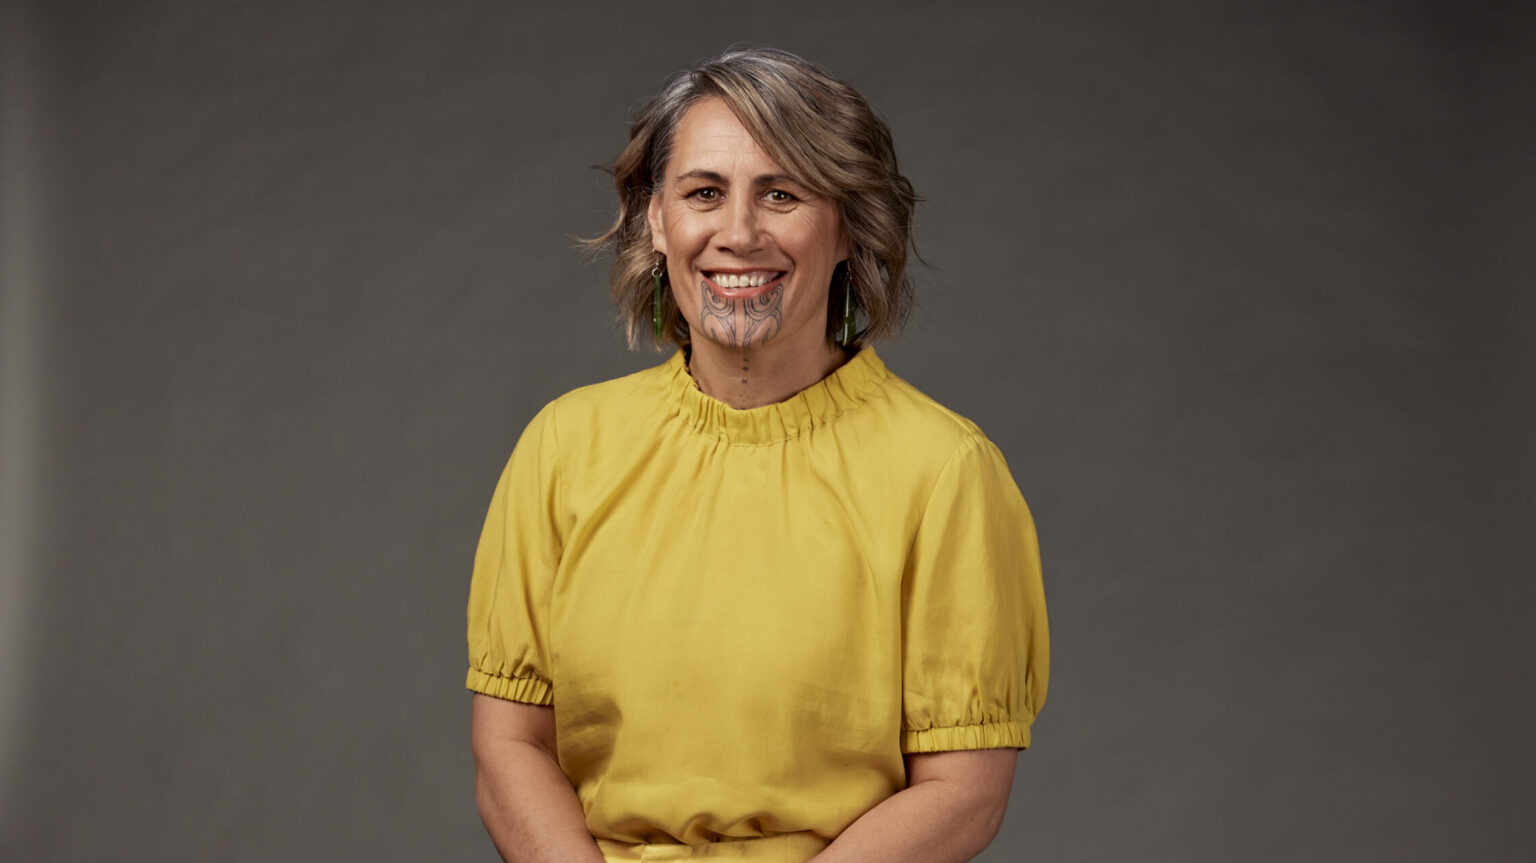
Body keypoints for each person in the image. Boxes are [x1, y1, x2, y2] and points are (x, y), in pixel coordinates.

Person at [466, 46, 1049, 863]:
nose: (738, 234)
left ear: (848, 224)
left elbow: (964, 791)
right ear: (656, 221)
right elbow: (510, 745)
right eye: (704, 192)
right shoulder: (562, 449)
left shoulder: (945, 471)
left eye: (783, 193)